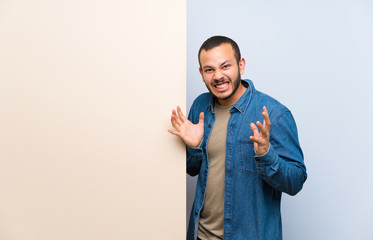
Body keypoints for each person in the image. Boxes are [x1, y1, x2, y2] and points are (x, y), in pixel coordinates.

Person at [168, 36, 307, 240]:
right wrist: (196, 148)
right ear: (201, 73)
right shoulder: (200, 107)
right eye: (209, 69)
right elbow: (193, 169)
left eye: (225, 66)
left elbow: (295, 182)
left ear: (241, 65)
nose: (218, 76)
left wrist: (267, 155)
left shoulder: (274, 114)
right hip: (201, 235)